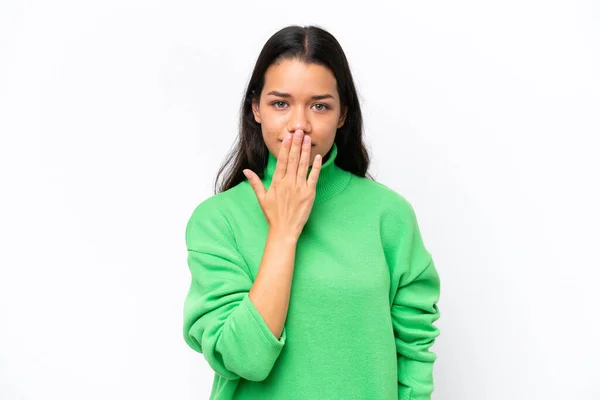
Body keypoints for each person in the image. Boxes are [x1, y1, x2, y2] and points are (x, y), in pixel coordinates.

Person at [182, 24, 441, 400]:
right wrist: (284, 233)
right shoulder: (218, 221)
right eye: (280, 103)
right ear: (256, 108)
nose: (299, 125)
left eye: (319, 105)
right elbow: (244, 359)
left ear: (342, 114)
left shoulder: (390, 216)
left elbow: (414, 349)